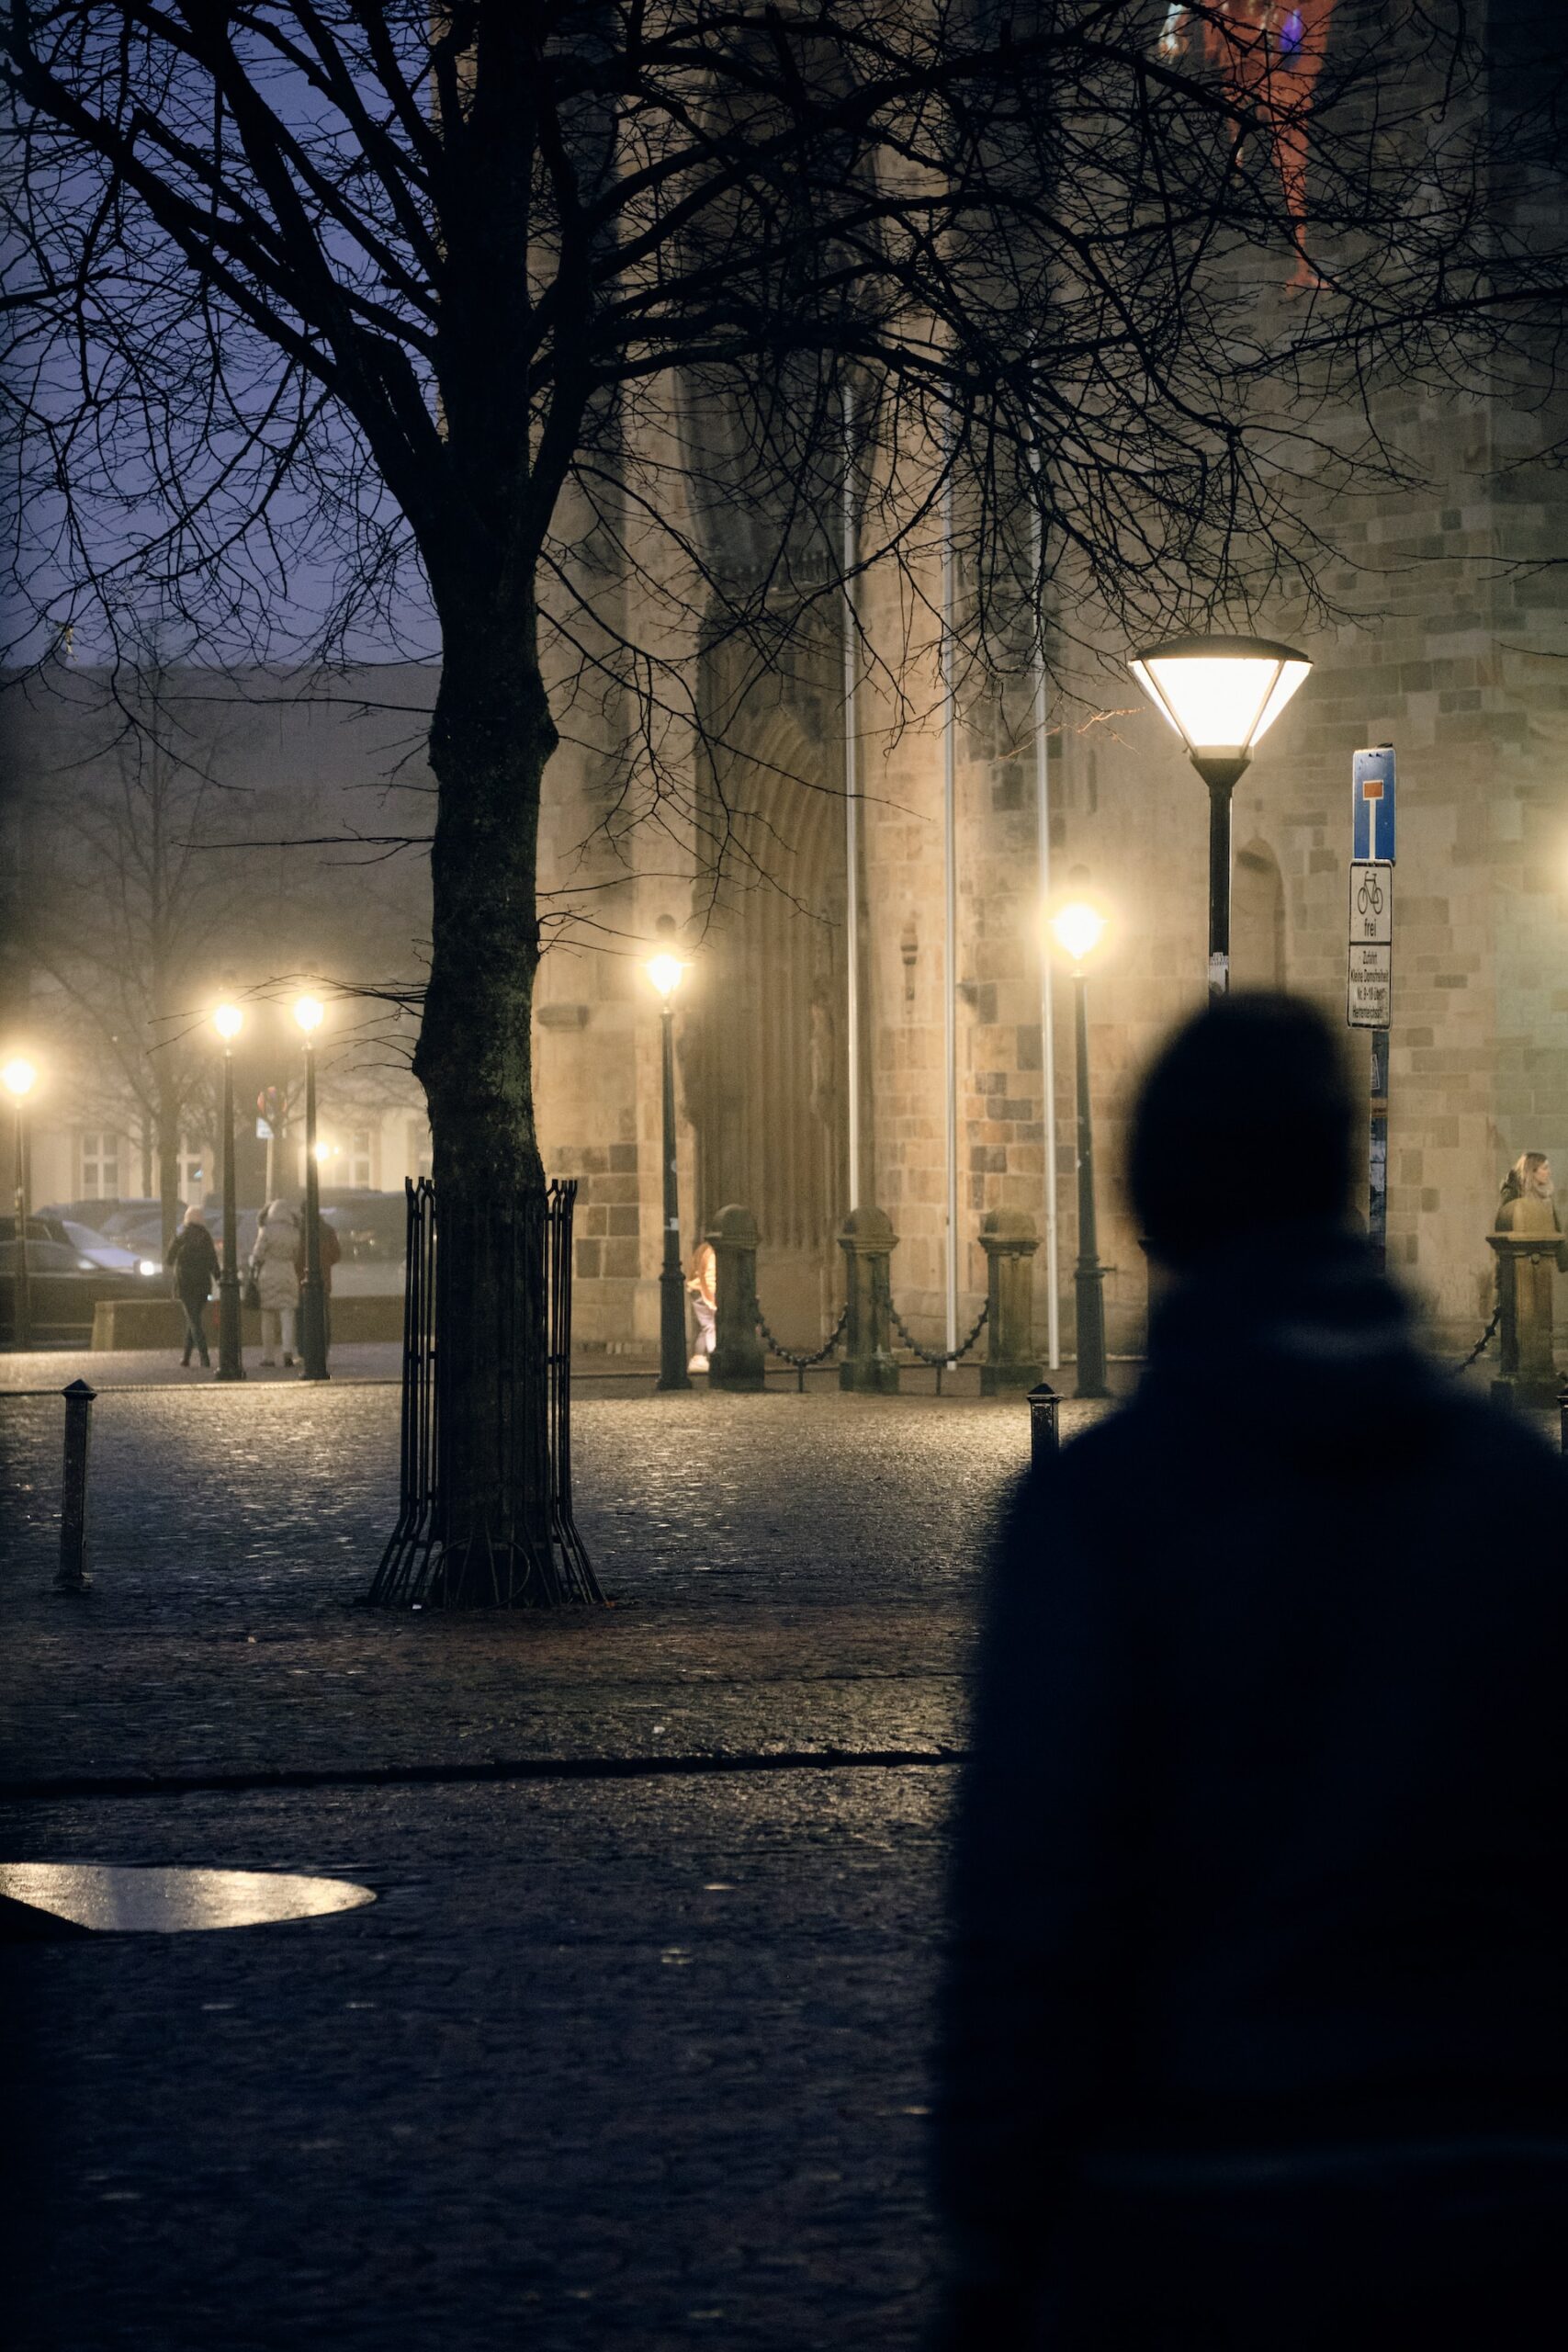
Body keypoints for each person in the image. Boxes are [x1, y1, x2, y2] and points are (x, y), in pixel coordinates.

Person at [932, 993, 1568, 2350]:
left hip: (1188, 2208)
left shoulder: (1101, 1513)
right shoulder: (1518, 1495)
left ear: (1152, 1208)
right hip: (1489, 2207)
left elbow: (1032, 1913)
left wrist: (993, 2239)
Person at [164, 1203, 220, 1369]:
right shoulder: (206, 1237)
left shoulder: (180, 1236)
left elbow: (169, 1260)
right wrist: (219, 1279)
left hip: (185, 1284)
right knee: (193, 1319)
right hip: (203, 1285)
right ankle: (186, 1358)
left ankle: (204, 1357)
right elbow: (213, 1261)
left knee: (194, 1321)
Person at [249, 1199, 301, 1367]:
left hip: (269, 1273)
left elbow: (257, 1254)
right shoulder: (294, 1232)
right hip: (288, 1273)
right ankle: (287, 1352)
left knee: (268, 1317)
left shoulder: (266, 1231)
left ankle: (268, 1356)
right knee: (288, 1315)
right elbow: (296, 1253)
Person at [293, 1205, 342, 1353]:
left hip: (301, 1281)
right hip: (324, 1280)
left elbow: (297, 1257)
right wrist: (325, 1263)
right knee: (323, 1315)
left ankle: (304, 1349)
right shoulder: (327, 1230)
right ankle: (323, 1348)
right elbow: (336, 1254)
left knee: (302, 1316)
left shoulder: (299, 1231)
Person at [686, 1237, 716, 1374]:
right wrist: (711, 1298)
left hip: (697, 1289)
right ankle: (713, 1357)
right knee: (710, 1326)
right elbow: (709, 1277)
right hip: (703, 1291)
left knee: (706, 1327)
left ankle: (699, 1357)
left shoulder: (703, 1248)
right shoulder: (711, 1252)